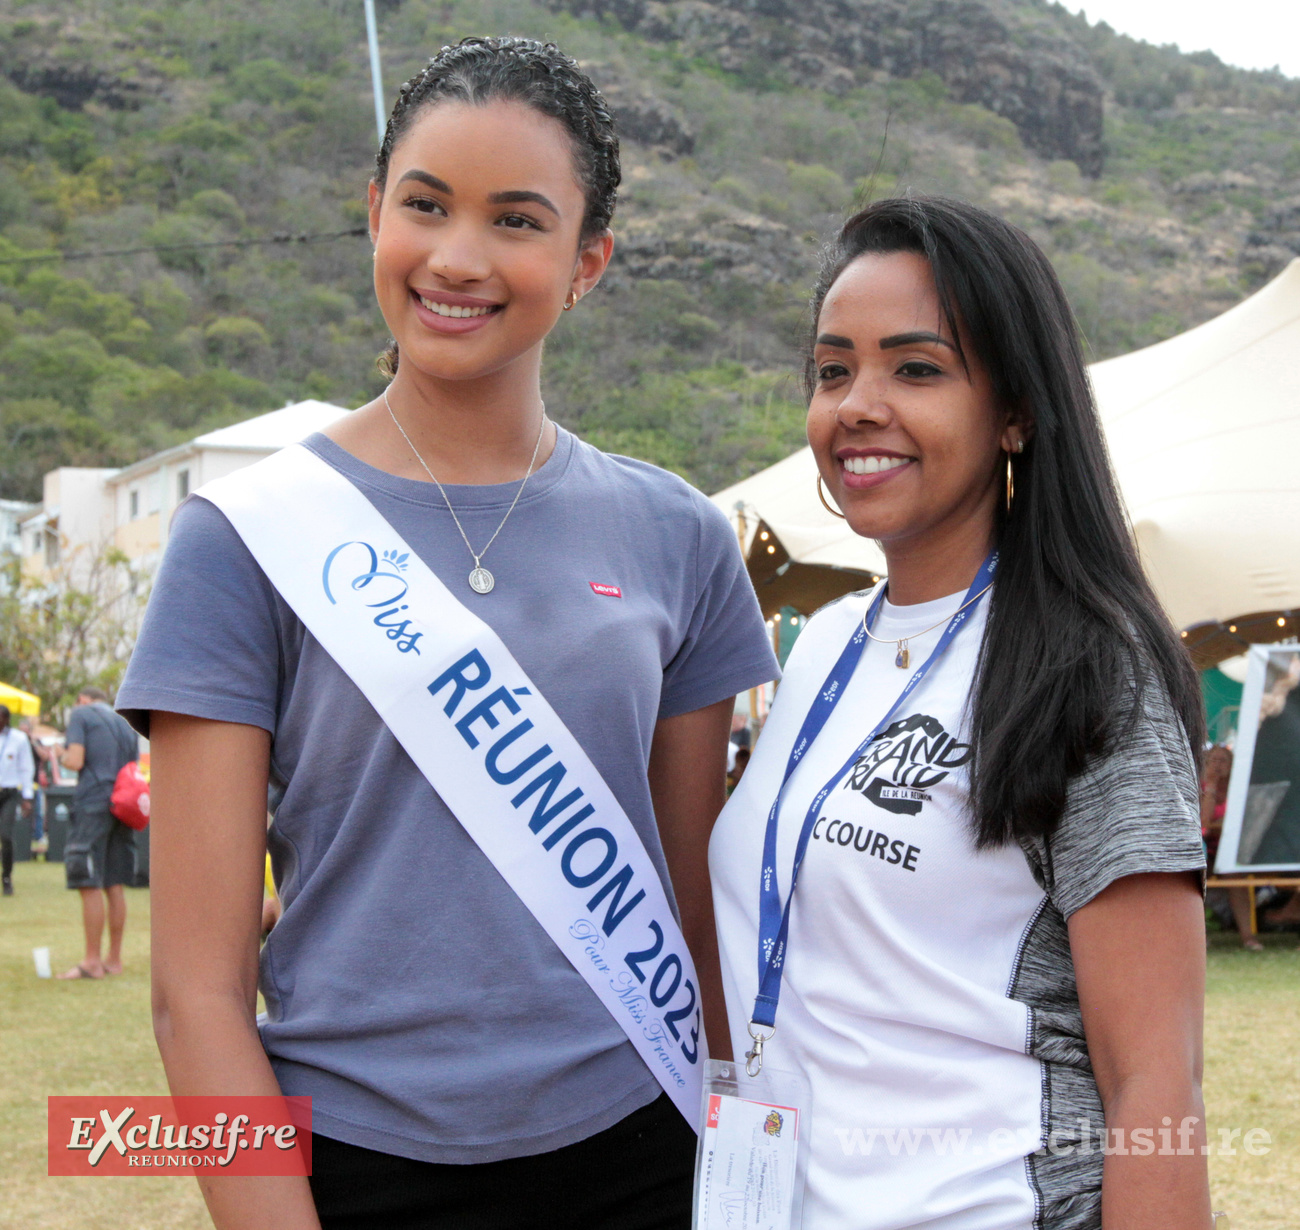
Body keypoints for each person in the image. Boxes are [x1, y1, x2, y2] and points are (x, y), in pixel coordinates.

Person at [116, 37, 778, 1230]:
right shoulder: (242, 538)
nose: (457, 257)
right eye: (425, 205)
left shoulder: (677, 534)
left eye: (516, 221)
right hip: (352, 1165)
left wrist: (738, 1174)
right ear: (375, 213)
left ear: (587, 263)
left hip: (639, 1151)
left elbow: (694, 920)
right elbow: (195, 996)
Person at [710, 197, 1211, 1229]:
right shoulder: (823, 646)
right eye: (833, 370)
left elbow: (1156, 1084)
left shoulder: (1085, 665)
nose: (858, 405)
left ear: (1015, 411)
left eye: (916, 369)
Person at [56, 686, 140, 978]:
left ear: (82, 700)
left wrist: (59, 753)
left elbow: (75, 760)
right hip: (122, 804)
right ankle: (113, 960)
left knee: (88, 879)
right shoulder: (125, 724)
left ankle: (91, 961)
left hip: (92, 802)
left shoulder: (81, 715)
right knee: (113, 882)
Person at [0, 703, 35, 896]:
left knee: (5, 835)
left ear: (6, 719)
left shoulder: (18, 739)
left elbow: (26, 767)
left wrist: (27, 796)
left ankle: (6, 877)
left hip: (9, 792)